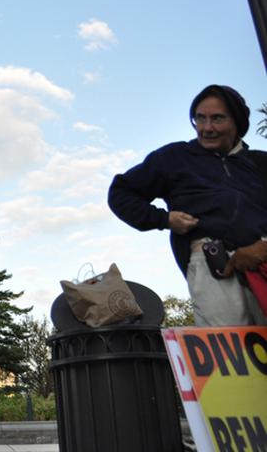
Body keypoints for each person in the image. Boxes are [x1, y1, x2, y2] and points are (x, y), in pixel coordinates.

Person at [108, 85, 267, 327]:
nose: (206, 128)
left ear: (237, 122)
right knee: (229, 351)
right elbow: (121, 192)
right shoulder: (174, 158)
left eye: (217, 118)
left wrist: (262, 247)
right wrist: (164, 219)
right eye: (199, 118)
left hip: (263, 258)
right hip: (215, 266)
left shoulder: (260, 163)